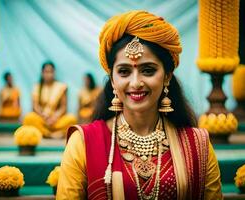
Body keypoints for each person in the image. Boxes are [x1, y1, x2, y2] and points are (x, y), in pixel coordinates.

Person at [57, 10, 222, 199]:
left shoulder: (197, 144)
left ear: (167, 76)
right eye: (124, 72)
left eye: (148, 70)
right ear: (112, 80)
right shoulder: (83, 143)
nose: (135, 83)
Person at [23, 61, 77, 138]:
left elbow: (63, 107)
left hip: (56, 121)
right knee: (28, 118)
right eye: (46, 72)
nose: (49, 74)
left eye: (51, 72)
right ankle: (50, 134)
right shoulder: (37, 87)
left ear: (54, 73)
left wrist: (55, 117)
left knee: (71, 119)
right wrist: (43, 116)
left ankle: (44, 133)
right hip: (42, 119)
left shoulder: (61, 87)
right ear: (42, 73)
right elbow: (35, 106)